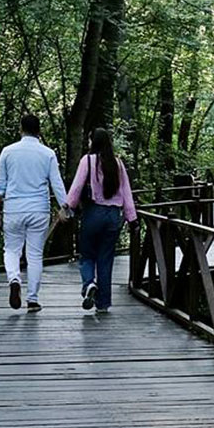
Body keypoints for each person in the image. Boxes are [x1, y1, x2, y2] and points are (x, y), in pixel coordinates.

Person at [0, 115, 68, 313]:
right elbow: (57, 183)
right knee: (34, 255)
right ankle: (32, 299)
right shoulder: (48, 154)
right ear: (39, 131)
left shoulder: (8, 152)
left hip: (14, 208)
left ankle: (14, 279)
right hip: (39, 209)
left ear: (20, 129)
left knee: (11, 250)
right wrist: (66, 207)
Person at [63, 128, 138, 313]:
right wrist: (132, 218)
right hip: (113, 216)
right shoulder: (117, 163)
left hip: (93, 213)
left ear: (93, 141)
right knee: (105, 258)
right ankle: (103, 303)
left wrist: (68, 206)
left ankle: (89, 283)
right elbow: (126, 192)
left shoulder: (87, 160)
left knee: (87, 254)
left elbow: (77, 187)